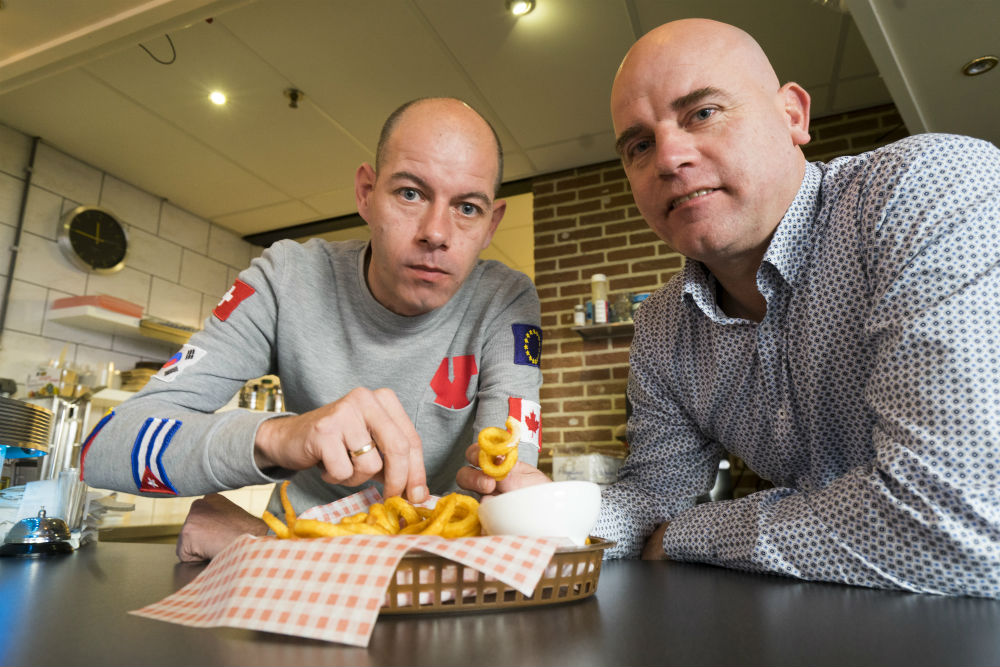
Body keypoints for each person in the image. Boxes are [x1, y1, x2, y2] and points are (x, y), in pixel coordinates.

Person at [501, 18, 1000, 598]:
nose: (668, 158)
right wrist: (550, 512)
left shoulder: (928, 190)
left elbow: (962, 526)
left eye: (703, 113)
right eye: (639, 145)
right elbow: (650, 499)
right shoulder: (664, 326)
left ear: (793, 115)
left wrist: (691, 534)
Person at [81, 97, 544, 561]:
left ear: (490, 226)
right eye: (410, 193)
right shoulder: (284, 279)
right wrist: (283, 436)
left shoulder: (506, 300)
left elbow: (506, 474)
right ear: (366, 192)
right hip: (291, 573)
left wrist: (520, 493)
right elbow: (105, 449)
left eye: (467, 208)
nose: (436, 232)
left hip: (429, 571)